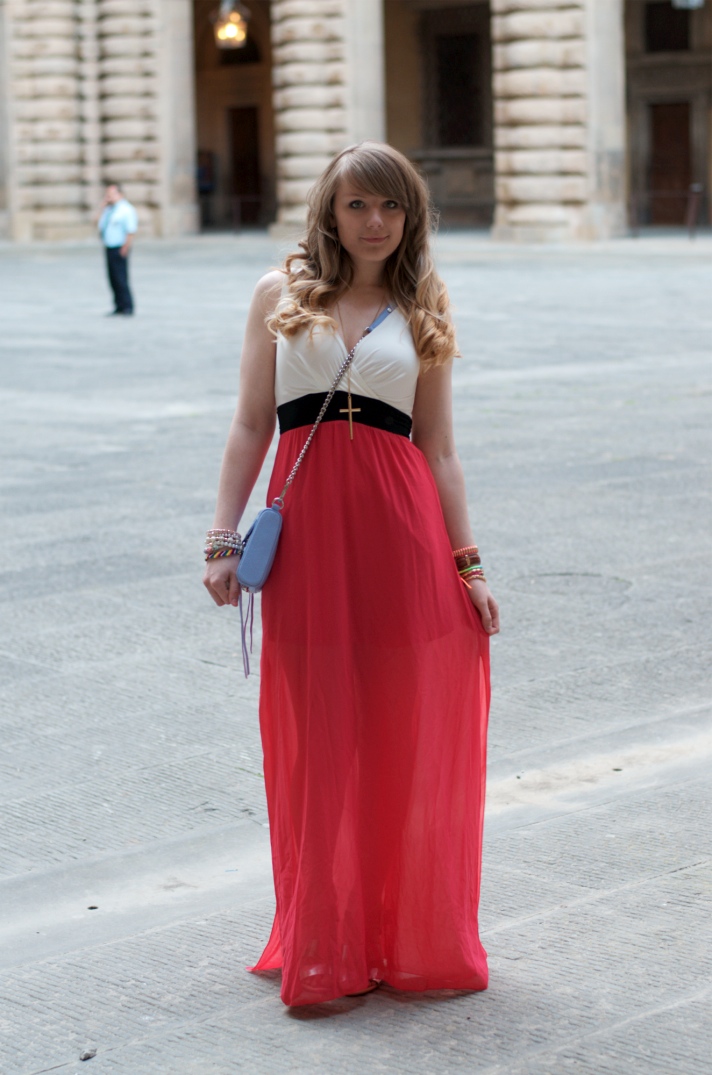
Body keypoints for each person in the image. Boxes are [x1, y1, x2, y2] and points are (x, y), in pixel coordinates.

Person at [203, 142, 499, 1008]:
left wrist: (468, 563)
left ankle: (405, 935)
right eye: (358, 205)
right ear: (329, 212)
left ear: (411, 218)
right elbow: (251, 425)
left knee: (402, 734)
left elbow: (438, 450)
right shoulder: (278, 295)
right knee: (316, 736)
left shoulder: (424, 304)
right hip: (309, 545)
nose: (375, 222)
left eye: (392, 208)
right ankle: (325, 943)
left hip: (402, 538)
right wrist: (222, 539)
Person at [97, 182, 137, 315]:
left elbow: (130, 230)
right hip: (109, 246)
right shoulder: (108, 210)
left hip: (120, 247)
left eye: (112, 194)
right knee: (112, 278)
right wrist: (101, 208)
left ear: (120, 194)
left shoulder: (126, 210)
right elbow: (96, 223)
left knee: (121, 278)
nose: (109, 197)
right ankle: (118, 305)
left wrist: (126, 247)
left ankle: (127, 306)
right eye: (107, 194)